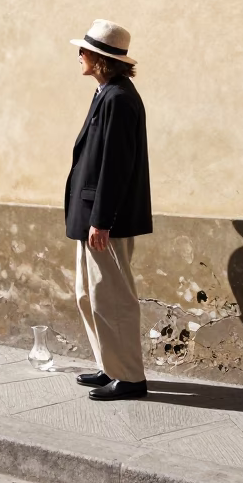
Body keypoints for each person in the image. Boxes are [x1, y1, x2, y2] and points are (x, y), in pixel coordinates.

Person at [65, 20, 153, 401]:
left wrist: (102, 219)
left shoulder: (119, 99)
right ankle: (111, 366)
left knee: (113, 298)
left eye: (84, 51)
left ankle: (130, 377)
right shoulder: (106, 93)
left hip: (104, 219)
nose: (79, 55)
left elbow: (116, 166)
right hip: (91, 215)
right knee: (89, 295)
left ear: (100, 59)